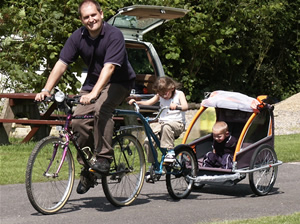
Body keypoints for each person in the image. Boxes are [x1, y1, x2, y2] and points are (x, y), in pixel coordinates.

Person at [35, 0, 136, 194]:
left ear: (101, 14)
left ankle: (104, 158)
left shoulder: (114, 35)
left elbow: (110, 68)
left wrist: (94, 94)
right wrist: (47, 89)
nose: (91, 20)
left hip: (119, 82)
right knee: (78, 122)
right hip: (92, 85)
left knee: (101, 109)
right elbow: (62, 63)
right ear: (81, 19)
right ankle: (89, 167)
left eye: (93, 15)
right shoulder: (78, 37)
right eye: (86, 17)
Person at [129, 77, 188, 167]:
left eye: (165, 93)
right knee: (148, 141)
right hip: (162, 124)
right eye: (161, 94)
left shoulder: (179, 94)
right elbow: (149, 102)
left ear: (172, 88)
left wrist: (177, 106)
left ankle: (170, 152)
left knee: (166, 127)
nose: (163, 96)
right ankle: (154, 164)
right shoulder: (159, 95)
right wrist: (137, 103)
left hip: (177, 123)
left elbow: (185, 106)